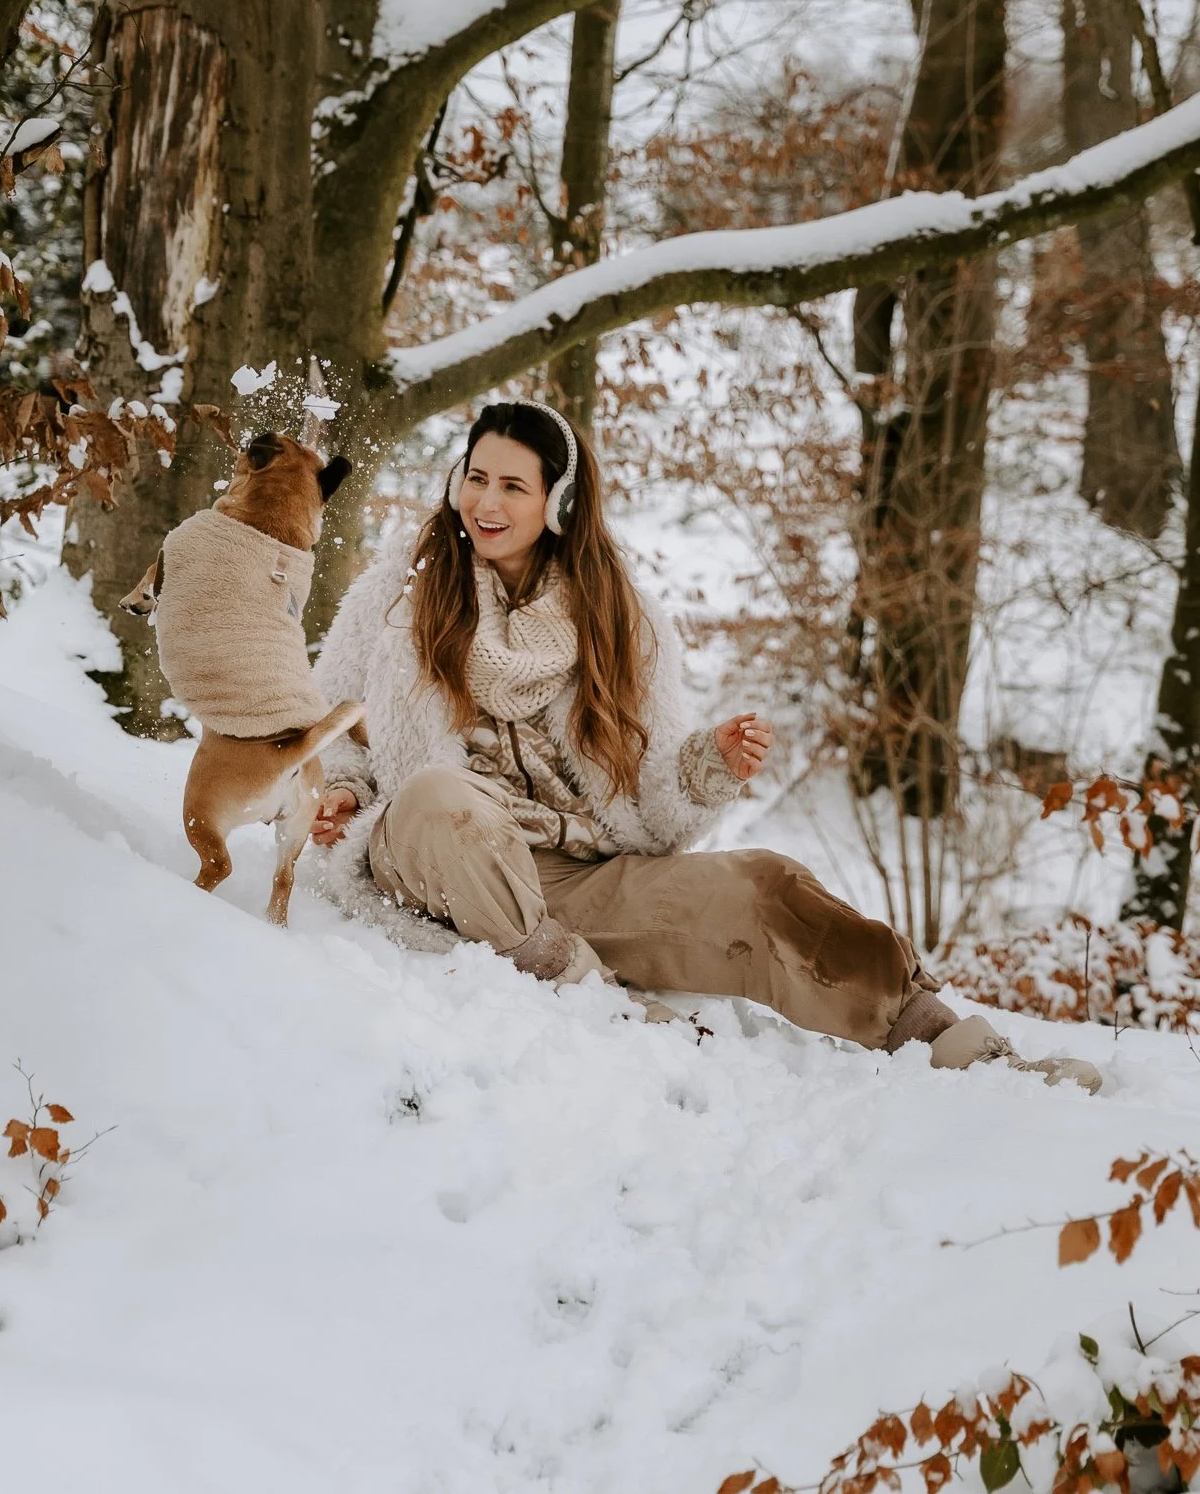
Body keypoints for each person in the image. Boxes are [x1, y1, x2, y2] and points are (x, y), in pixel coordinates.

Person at [309, 401, 1099, 1088]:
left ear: (560, 501)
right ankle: (591, 999)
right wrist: (340, 789)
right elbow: (325, 717)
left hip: (575, 873)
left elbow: (650, 802)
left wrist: (704, 766)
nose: (485, 500)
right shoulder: (399, 590)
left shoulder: (623, 618)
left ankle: (943, 1042)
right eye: (476, 477)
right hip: (433, 850)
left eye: (513, 485)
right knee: (442, 799)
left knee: (765, 883)